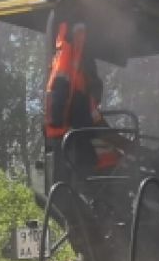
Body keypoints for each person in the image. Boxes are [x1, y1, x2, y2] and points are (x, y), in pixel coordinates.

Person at [45, 22, 132, 173]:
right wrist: (135, 148)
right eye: (97, 84)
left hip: (86, 165)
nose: (99, 94)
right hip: (97, 173)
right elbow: (106, 132)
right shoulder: (83, 104)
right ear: (90, 81)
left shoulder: (72, 100)